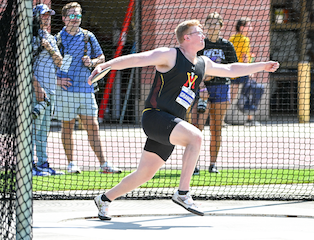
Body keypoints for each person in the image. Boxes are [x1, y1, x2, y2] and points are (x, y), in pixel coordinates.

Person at [89, 19, 279, 220]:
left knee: (144, 174)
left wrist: (262, 66)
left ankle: (104, 199)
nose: (203, 35)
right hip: (155, 117)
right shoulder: (170, 55)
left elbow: (231, 70)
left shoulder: (202, 63)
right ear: (186, 38)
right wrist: (107, 65)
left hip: (171, 122)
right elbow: (138, 59)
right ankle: (183, 193)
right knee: (195, 137)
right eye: (199, 32)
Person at [55, 2, 122, 174]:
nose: (75, 18)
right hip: (66, 92)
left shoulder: (88, 36)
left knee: (92, 126)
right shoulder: (58, 39)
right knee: (67, 127)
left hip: (86, 89)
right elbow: (49, 65)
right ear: (64, 18)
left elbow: (101, 57)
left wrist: (92, 62)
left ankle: (104, 164)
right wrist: (57, 81)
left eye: (78, 15)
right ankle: (71, 164)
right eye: (72, 15)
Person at [191, 12, 238, 175]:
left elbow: (233, 69)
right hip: (201, 89)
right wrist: (202, 82)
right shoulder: (200, 45)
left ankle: (212, 164)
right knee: (196, 128)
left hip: (221, 88)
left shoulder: (227, 45)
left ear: (221, 26)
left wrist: (215, 74)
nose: (212, 26)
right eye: (209, 24)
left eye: (215, 24)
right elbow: (192, 67)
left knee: (216, 128)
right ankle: (194, 165)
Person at [32, 4, 64, 176]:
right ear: (36, 17)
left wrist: (50, 48)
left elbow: (61, 63)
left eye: (48, 15)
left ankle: (43, 164)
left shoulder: (50, 38)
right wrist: (38, 88)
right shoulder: (30, 38)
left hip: (51, 90)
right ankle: (28, 166)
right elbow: (24, 67)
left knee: (44, 131)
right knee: (32, 129)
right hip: (37, 91)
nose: (47, 18)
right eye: (44, 15)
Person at [229, 17, 265, 126]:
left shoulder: (232, 38)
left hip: (233, 70)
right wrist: (249, 70)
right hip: (243, 70)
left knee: (231, 95)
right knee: (251, 91)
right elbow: (244, 56)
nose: (251, 28)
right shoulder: (245, 39)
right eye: (248, 25)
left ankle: (221, 118)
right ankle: (250, 119)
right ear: (242, 27)